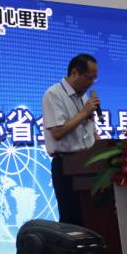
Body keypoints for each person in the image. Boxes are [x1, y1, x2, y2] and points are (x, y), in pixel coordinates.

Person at [42, 53, 101, 226]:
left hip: (88, 166)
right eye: (89, 77)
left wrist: (104, 150)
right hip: (67, 166)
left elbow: (91, 132)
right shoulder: (53, 94)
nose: (92, 83)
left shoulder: (83, 98)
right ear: (74, 72)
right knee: (72, 220)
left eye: (95, 79)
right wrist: (84, 113)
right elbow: (57, 132)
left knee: (91, 218)